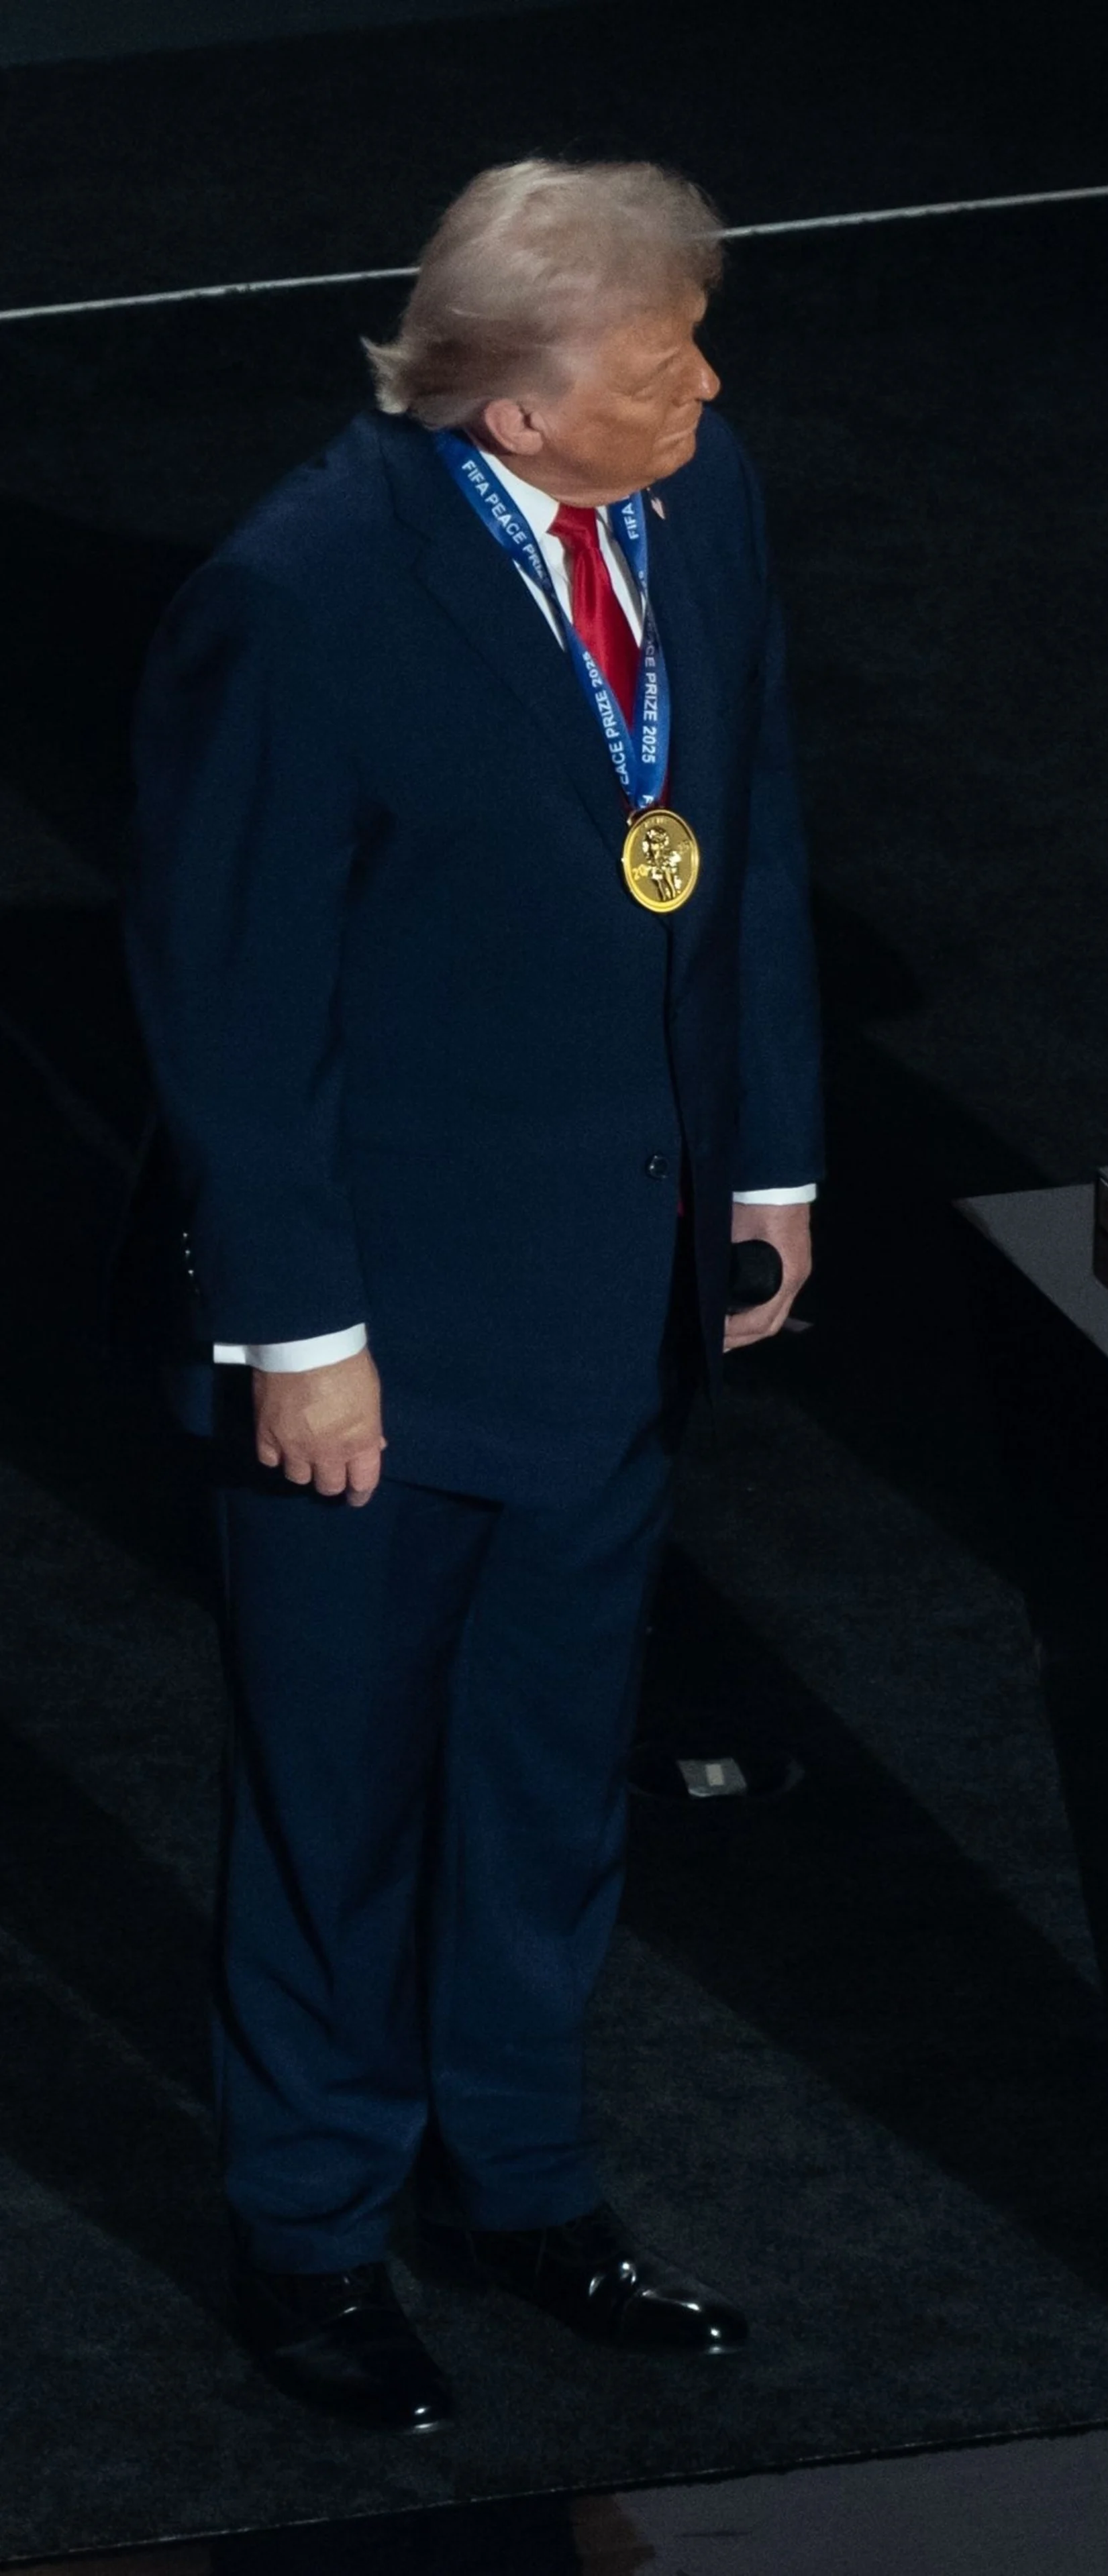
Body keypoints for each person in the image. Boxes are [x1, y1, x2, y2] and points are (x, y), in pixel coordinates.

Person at [125, 160, 823, 2432]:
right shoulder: (305, 597)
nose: (708, 385)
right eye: (661, 361)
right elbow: (235, 1005)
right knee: (341, 1807)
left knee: (542, 1783)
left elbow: (749, 840)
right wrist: (298, 1338)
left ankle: (518, 2183)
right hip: (383, 1355)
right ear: (517, 416)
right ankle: (315, 2234)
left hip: (614, 1301)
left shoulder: (692, 509)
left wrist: (773, 1164)